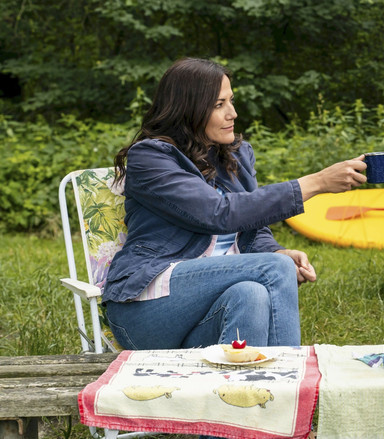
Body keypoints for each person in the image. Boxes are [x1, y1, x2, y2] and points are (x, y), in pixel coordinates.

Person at [103, 58, 367, 350]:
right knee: (273, 269)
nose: (233, 113)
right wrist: (315, 183)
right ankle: (290, 381)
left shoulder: (235, 156)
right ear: (187, 109)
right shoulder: (151, 157)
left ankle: (242, 390)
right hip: (147, 307)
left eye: (231, 101)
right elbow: (218, 213)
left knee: (250, 293)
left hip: (206, 311)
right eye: (219, 105)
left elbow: (252, 227)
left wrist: (277, 251)